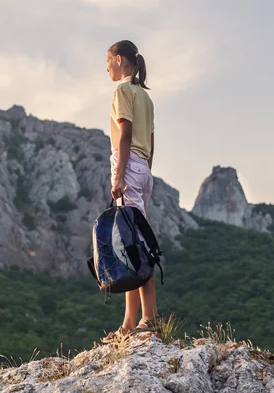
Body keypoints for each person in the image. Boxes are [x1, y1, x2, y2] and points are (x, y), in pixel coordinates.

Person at [101, 40, 159, 343]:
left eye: (108, 61)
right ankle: (128, 322)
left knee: (134, 245)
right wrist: (143, 170)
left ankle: (148, 319)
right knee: (133, 241)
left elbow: (124, 134)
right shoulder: (144, 97)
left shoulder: (122, 91)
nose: (106, 67)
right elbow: (151, 140)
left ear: (120, 60)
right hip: (143, 168)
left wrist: (120, 176)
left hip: (129, 167)